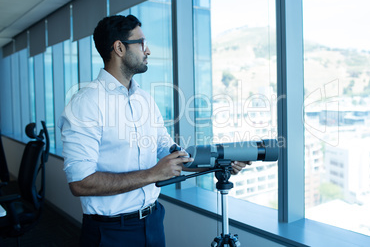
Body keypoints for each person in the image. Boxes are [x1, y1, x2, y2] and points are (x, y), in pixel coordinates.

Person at [58, 15, 249, 247]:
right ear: (119, 47)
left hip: (153, 222)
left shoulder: (144, 100)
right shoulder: (85, 103)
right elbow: (80, 182)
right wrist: (152, 174)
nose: (147, 51)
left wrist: (219, 162)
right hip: (110, 232)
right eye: (141, 43)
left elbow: (169, 154)